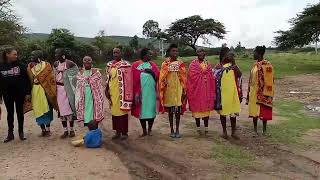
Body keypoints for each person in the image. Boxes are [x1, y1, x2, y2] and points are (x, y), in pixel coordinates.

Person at [0, 47, 31, 142]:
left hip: (20, 94)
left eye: (16, 54)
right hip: (7, 94)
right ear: (7, 54)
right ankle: (10, 134)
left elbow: (27, 80)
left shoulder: (21, 66)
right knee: (10, 114)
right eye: (14, 54)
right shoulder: (1, 67)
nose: (16, 56)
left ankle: (21, 132)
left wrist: (28, 93)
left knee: (20, 113)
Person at [27, 50, 59, 137]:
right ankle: (43, 130)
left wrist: (52, 90)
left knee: (47, 109)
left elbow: (51, 79)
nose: (31, 56)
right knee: (38, 109)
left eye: (33, 55)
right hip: (35, 91)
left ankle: (48, 129)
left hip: (46, 91)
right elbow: (29, 81)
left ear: (38, 57)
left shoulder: (46, 65)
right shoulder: (29, 67)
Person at [159, 44, 187, 138]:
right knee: (171, 111)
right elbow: (162, 77)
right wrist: (164, 82)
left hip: (178, 89)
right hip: (169, 90)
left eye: (176, 51)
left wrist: (183, 89)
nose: (175, 53)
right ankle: (171, 130)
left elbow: (183, 78)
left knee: (178, 111)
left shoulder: (181, 63)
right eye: (173, 51)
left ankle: (178, 130)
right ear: (169, 52)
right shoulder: (165, 64)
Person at [214, 47, 242, 140]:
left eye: (230, 54)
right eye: (228, 54)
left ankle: (233, 132)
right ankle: (224, 132)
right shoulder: (219, 66)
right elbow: (215, 78)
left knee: (233, 112)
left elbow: (240, 74)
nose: (229, 56)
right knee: (223, 112)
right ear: (223, 55)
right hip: (222, 93)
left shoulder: (233, 66)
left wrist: (234, 64)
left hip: (233, 92)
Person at [105, 48, 133, 140]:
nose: (115, 54)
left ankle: (124, 132)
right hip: (113, 91)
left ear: (121, 53)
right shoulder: (109, 65)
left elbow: (129, 79)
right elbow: (108, 78)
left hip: (122, 93)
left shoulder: (126, 65)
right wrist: (106, 89)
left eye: (117, 52)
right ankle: (117, 132)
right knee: (114, 113)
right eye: (114, 53)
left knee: (122, 112)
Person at [187, 48, 215, 136]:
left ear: (205, 53)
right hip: (196, 91)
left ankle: (206, 128)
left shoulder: (207, 64)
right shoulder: (193, 64)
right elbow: (191, 77)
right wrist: (202, 74)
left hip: (206, 90)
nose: (201, 53)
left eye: (202, 51)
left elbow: (211, 77)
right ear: (196, 53)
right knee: (197, 109)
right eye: (199, 52)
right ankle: (198, 128)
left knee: (206, 110)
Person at [132, 48, 160, 137]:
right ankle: (144, 131)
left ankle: (150, 130)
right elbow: (132, 79)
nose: (151, 56)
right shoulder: (136, 65)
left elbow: (158, 78)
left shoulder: (153, 65)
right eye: (150, 54)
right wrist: (135, 93)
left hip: (151, 93)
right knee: (142, 112)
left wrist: (151, 72)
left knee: (151, 111)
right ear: (144, 55)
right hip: (141, 94)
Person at [247, 46, 274, 136]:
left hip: (263, 92)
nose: (253, 54)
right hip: (254, 91)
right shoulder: (254, 65)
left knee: (263, 110)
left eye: (254, 52)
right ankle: (255, 130)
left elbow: (270, 79)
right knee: (254, 110)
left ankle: (264, 130)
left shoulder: (267, 64)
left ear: (259, 54)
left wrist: (266, 92)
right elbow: (251, 80)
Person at [54, 48, 79, 138]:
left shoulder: (69, 63)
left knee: (69, 109)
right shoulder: (56, 64)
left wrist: (66, 75)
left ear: (63, 55)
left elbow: (76, 72)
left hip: (67, 89)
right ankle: (65, 131)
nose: (55, 55)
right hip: (58, 89)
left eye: (57, 54)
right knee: (61, 111)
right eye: (55, 54)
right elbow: (54, 75)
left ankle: (71, 130)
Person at [75, 56, 104, 126]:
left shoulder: (97, 73)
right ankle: (89, 130)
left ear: (91, 62)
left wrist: (90, 81)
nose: (87, 61)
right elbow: (78, 87)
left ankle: (95, 129)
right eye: (85, 60)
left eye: (89, 60)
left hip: (94, 98)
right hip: (84, 98)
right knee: (86, 114)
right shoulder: (80, 74)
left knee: (94, 115)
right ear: (83, 62)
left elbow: (100, 87)